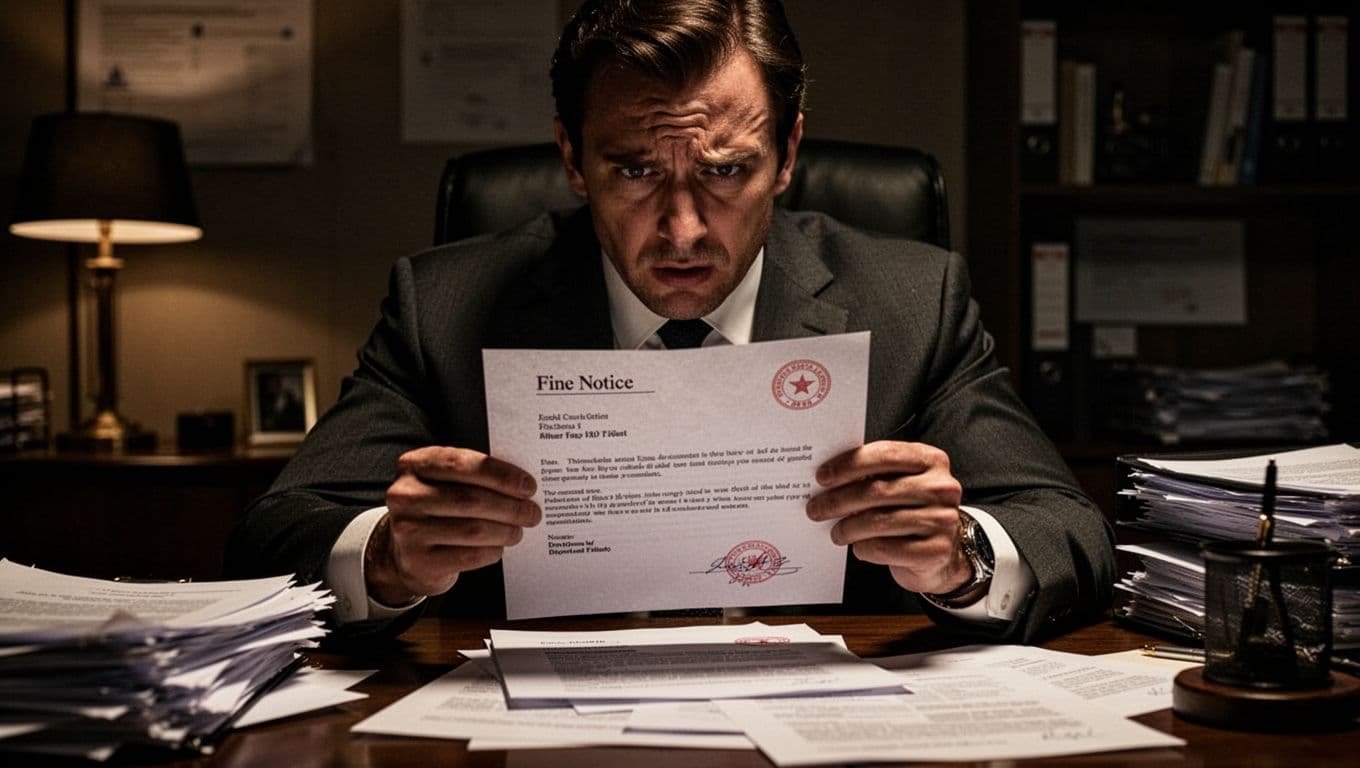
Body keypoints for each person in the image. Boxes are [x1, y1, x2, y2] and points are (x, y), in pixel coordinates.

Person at [225, 0, 1115, 643]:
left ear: (790, 153)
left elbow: (1069, 529)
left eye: (726, 172)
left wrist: (961, 552)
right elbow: (273, 536)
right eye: (638, 173)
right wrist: (386, 556)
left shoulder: (914, 300)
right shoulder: (447, 306)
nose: (684, 231)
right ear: (573, 158)